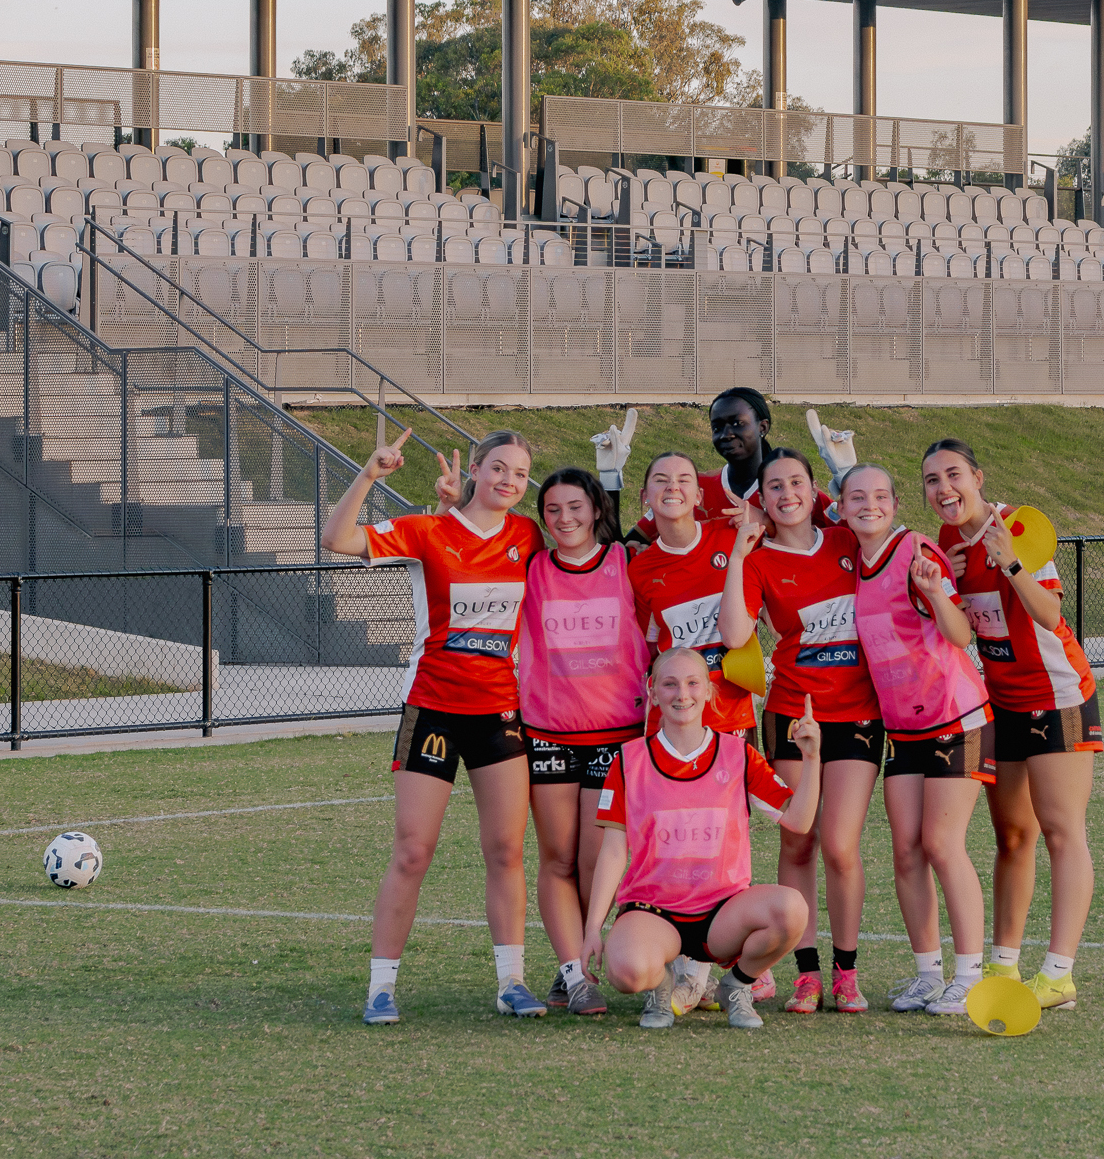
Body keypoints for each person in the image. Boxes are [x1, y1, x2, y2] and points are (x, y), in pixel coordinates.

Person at [321, 424, 543, 1024]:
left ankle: (512, 982)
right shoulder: (428, 530)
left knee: (506, 849)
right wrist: (371, 473)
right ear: (475, 468)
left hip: (500, 712)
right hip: (433, 708)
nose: (508, 481)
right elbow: (336, 538)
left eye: (520, 474)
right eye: (498, 468)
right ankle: (381, 987)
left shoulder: (528, 534)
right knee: (413, 851)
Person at [926, 437, 1097, 1012]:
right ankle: (1003, 963)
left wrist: (1012, 562)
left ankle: (1059, 973)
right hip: (999, 702)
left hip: (1056, 695)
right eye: (932, 481)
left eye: (954, 475)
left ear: (978, 477)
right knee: (1012, 837)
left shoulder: (1017, 526)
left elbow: (1050, 615)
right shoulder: (947, 540)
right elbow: (966, 629)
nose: (945, 489)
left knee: (1059, 829)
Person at [581, 647, 818, 1031]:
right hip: (653, 910)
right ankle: (661, 987)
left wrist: (812, 760)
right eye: (669, 684)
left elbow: (799, 821)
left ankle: (736, 985)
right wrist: (593, 929)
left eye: (693, 683)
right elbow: (611, 852)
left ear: (710, 692)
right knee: (626, 971)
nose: (682, 694)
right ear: (652, 692)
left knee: (792, 909)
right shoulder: (629, 760)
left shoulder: (737, 754)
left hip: (721, 914)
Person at [720, 446, 880, 1013]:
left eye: (797, 483)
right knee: (798, 837)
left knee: (839, 845)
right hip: (793, 714)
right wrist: (740, 554)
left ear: (815, 492)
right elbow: (734, 632)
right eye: (774, 487)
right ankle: (806, 975)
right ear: (759, 499)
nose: (787, 494)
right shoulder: (760, 559)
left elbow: (879, 520)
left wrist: (845, 467)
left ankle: (846, 972)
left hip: (858, 712)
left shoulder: (844, 542)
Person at [838, 460, 992, 1016]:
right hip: (903, 726)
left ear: (896, 504)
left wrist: (936, 593)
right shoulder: (852, 558)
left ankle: (970, 975)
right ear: (841, 507)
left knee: (942, 844)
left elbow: (959, 635)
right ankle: (928, 974)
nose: (869, 505)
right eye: (857, 497)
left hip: (956, 715)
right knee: (905, 850)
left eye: (881, 495)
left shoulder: (917, 551)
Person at [622, 448, 762, 1012]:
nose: (673, 487)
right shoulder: (640, 566)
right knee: (675, 840)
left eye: (683, 479)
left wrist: (747, 529)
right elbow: (641, 647)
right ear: (646, 498)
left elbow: (787, 501)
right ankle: (683, 962)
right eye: (660, 480)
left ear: (701, 495)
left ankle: (721, 964)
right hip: (672, 726)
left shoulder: (733, 544)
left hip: (730, 721)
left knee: (727, 842)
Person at [516, 465, 649, 1018]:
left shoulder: (628, 562)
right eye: (552, 510)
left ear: (597, 509)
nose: (565, 518)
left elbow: (681, 518)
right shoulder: (530, 569)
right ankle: (574, 975)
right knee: (557, 859)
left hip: (614, 735)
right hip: (547, 731)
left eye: (576, 507)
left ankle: (581, 953)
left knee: (597, 864)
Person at [587, 391, 858, 522]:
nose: (726, 434)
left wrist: (847, 476)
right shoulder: (693, 490)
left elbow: (858, 542)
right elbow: (617, 554)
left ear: (762, 427)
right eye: (717, 427)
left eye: (738, 423)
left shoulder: (794, 491)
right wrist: (610, 479)